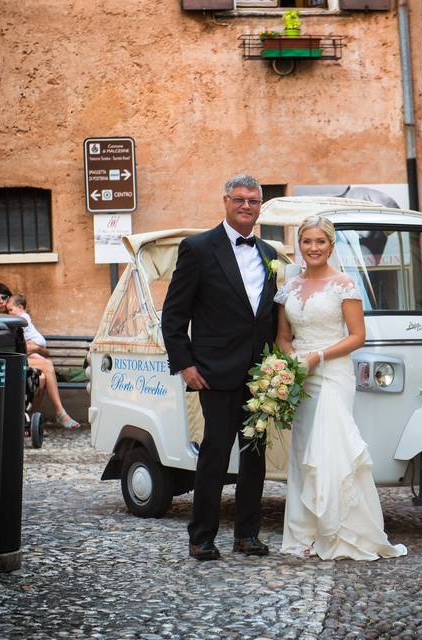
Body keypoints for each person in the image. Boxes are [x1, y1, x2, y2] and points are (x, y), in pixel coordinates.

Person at [162, 175, 281, 561]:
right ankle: (202, 537)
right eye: (240, 199)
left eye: (254, 201)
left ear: (260, 206)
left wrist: (277, 366)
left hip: (261, 374)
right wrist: (185, 365)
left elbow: (269, 314)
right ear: (226, 201)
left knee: (255, 456)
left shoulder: (269, 252)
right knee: (214, 454)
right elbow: (174, 315)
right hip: (213, 370)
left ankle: (247, 535)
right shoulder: (197, 248)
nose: (247, 206)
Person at [275, 215, 407, 561]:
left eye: (320, 242)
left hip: (333, 373)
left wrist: (317, 356)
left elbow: (357, 336)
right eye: (307, 241)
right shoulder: (289, 287)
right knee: (305, 453)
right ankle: (304, 534)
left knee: (331, 449)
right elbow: (283, 338)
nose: (313, 248)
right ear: (298, 245)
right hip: (301, 377)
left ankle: (339, 531)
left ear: (331, 246)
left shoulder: (344, 284)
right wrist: (292, 363)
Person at [0, 289, 79, 429]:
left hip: (23, 360)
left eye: (4, 297)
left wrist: (34, 348)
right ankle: (58, 413)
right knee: (45, 369)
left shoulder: (19, 320)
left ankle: (30, 422)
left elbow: (44, 350)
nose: (1, 301)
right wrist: (28, 348)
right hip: (5, 364)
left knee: (42, 378)